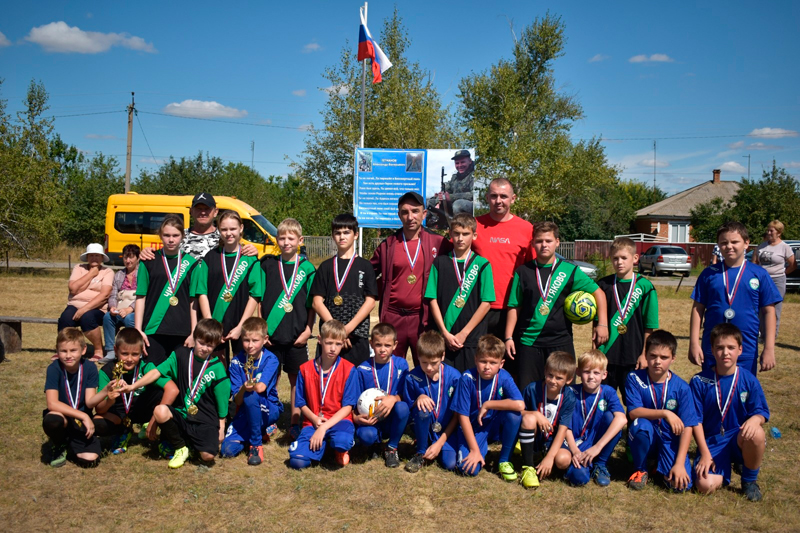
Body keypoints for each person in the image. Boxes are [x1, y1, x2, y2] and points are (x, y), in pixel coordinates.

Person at [505, 221, 608, 389]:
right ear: (532, 243)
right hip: (528, 342)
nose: (544, 245)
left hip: (560, 341)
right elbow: (514, 306)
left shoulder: (569, 270)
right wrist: (509, 337)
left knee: (563, 391)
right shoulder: (523, 272)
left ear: (557, 242)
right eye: (539, 241)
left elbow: (599, 294)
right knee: (528, 391)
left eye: (548, 241)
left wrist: (602, 324)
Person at [118, 318, 231, 469]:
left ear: (216, 345)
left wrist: (221, 426)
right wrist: (133, 386)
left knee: (208, 456)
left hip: (205, 419)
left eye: (209, 346)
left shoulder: (217, 367)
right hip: (184, 415)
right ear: (195, 337)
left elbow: (222, 399)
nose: (204, 348)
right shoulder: (180, 355)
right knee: (160, 410)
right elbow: (156, 372)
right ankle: (181, 448)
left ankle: (192, 444)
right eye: (201, 343)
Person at [689, 221, 782, 376]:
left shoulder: (759, 274)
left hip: (746, 347)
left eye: (734, 242)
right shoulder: (708, 274)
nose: (729, 246)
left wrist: (769, 348)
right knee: (713, 391)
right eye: (724, 243)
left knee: (743, 391)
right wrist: (693, 343)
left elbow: (769, 312)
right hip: (713, 347)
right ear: (718, 245)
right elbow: (697, 309)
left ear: (746, 243)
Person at [370, 191, 451, 365]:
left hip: (423, 318)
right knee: (391, 369)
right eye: (405, 212)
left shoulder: (438, 242)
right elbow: (368, 273)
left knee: (426, 368)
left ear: (424, 214)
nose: (410, 217)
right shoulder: (388, 244)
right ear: (399, 215)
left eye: (415, 211)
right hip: (393, 316)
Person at [691, 323, 770, 502]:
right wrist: (704, 453)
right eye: (719, 347)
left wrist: (755, 419)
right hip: (712, 442)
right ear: (711, 349)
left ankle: (749, 480)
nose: (725, 352)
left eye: (731, 348)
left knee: (756, 432)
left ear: (740, 350)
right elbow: (694, 421)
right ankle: (723, 467)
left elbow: (761, 411)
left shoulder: (748, 379)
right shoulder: (699, 381)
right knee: (704, 486)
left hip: (738, 437)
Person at [471, 178, 535, 377]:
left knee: (510, 364)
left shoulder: (526, 228)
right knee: (480, 364)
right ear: (487, 197)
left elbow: (532, 270)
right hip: (479, 307)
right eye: (494, 196)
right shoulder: (474, 225)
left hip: (512, 309)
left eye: (503, 196)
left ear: (513, 199)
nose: (498, 200)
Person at [260, 218, 316, 440]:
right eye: (281, 238)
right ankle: (269, 419)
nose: (286, 242)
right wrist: (261, 330)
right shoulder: (266, 265)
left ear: (300, 240)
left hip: (297, 337)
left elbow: (312, 304)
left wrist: (308, 330)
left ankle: (295, 420)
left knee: (296, 381)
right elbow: (259, 300)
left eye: (291, 238)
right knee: (269, 379)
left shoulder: (308, 269)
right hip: (271, 337)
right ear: (276, 240)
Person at [625, 330, 698, 492]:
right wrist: (666, 413)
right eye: (653, 356)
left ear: (673, 359)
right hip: (647, 434)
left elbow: (688, 426)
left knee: (681, 487)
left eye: (664, 357)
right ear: (646, 355)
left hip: (668, 437)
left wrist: (679, 464)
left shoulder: (682, 388)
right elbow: (633, 412)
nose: (657, 361)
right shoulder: (634, 378)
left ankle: (659, 465)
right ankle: (641, 469)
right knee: (639, 425)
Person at [425, 213, 495, 371]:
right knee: (446, 386)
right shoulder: (439, 263)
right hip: (445, 338)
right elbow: (432, 299)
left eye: (465, 234)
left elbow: (486, 303)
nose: (460, 238)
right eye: (456, 233)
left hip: (471, 338)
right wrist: (444, 332)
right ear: (450, 234)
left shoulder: (482, 265)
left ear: (474, 235)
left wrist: (464, 333)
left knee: (470, 385)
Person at [94, 327, 178, 454]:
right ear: (116, 351)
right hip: (119, 412)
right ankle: (123, 432)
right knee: (97, 422)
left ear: (141, 352)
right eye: (125, 353)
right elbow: (99, 409)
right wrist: (109, 400)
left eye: (134, 354)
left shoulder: (146, 367)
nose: (129, 359)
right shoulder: (106, 371)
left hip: (143, 409)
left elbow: (173, 390)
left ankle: (165, 440)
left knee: (163, 396)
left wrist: (154, 421)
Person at [289, 320, 359, 469]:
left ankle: (337, 448)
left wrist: (323, 428)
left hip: (339, 421)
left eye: (338, 344)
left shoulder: (349, 370)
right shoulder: (305, 369)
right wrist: (314, 420)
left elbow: (348, 407)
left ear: (344, 343)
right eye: (329, 343)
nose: (333, 348)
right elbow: (300, 403)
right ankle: (322, 444)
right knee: (298, 461)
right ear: (320, 340)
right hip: (313, 421)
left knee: (342, 442)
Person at [596, 237, 659, 404]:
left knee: (633, 401)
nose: (619, 262)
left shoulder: (645, 286)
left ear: (635, 258)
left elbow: (650, 326)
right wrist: (595, 351)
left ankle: (633, 430)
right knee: (603, 401)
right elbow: (596, 323)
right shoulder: (603, 285)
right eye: (615, 258)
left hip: (634, 355)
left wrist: (644, 354)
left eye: (624, 258)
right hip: (607, 353)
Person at [195, 210, 262, 366]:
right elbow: (202, 292)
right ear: (219, 230)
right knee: (216, 373)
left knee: (244, 372)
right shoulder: (209, 258)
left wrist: (241, 327)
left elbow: (255, 295)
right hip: (215, 326)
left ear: (241, 228)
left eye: (233, 229)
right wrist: (211, 324)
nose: (229, 233)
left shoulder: (250, 258)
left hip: (242, 326)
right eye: (224, 229)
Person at [451, 335, 523, 480]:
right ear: (476, 359)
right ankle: (477, 447)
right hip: (473, 427)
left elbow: (520, 404)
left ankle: (504, 460)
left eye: (493, 362)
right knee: (469, 469)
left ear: (501, 363)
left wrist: (489, 404)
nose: (487, 367)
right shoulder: (467, 378)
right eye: (483, 361)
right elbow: (462, 417)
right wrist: (474, 450)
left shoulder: (504, 376)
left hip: (494, 425)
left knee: (515, 415)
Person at [310, 214, 377, 366]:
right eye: (337, 233)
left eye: (346, 232)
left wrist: (347, 330)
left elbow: (370, 302)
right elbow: (317, 302)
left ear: (356, 234)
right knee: (328, 383)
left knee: (357, 383)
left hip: (357, 336)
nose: (342, 237)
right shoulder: (325, 267)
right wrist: (337, 332)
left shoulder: (365, 266)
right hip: (330, 338)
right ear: (333, 235)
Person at [135, 214, 201, 367]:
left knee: (179, 376)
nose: (171, 240)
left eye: (175, 235)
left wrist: (193, 332)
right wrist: (138, 329)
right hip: (153, 330)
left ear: (182, 236)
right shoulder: (148, 261)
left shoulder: (191, 263)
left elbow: (193, 301)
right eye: (166, 235)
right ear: (160, 235)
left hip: (182, 331)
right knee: (152, 375)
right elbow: (140, 297)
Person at [43, 328, 111, 467]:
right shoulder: (54, 368)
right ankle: (59, 444)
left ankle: (72, 444)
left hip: (80, 421)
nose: (68, 355)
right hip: (63, 416)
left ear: (83, 350)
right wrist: (84, 416)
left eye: (73, 350)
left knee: (89, 461)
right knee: (52, 420)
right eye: (63, 351)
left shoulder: (90, 368)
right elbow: (52, 403)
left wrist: (105, 391)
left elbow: (90, 402)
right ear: (57, 351)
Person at [221, 317, 282, 466]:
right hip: (244, 410)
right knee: (227, 450)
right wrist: (243, 387)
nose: (250, 345)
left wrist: (249, 387)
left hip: (268, 407)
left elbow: (261, 388)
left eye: (255, 340)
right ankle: (260, 430)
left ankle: (256, 445)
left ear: (265, 339)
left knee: (251, 395)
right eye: (246, 340)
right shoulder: (236, 362)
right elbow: (237, 400)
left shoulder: (271, 359)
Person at [563, 350, 627, 487]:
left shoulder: (608, 392)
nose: (591, 377)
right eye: (587, 372)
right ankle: (577, 465)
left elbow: (622, 419)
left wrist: (597, 447)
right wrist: (574, 451)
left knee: (612, 419)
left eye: (596, 373)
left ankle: (600, 464)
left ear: (604, 375)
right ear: (578, 372)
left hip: (595, 443)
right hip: (573, 444)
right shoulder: (570, 392)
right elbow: (564, 425)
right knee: (579, 478)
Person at [403, 330, 461, 473]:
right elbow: (408, 408)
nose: (428, 367)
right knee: (423, 408)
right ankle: (421, 451)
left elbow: (457, 415)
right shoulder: (412, 377)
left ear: (443, 356)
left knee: (450, 464)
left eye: (433, 363)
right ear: (417, 357)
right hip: (424, 425)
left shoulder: (455, 377)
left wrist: (440, 443)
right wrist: (418, 399)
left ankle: (438, 445)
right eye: (424, 362)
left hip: (446, 430)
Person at [352, 323, 410, 468]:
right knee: (366, 437)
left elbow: (406, 394)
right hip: (370, 418)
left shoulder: (401, 364)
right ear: (371, 343)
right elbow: (354, 400)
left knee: (402, 407)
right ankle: (374, 444)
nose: (383, 349)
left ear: (395, 345)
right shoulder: (362, 368)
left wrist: (394, 398)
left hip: (392, 418)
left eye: (387, 345)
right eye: (378, 345)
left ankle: (392, 447)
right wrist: (355, 417)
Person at [518, 351, 577, 489]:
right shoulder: (532, 389)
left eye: (559, 378)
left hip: (553, 439)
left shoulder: (569, 397)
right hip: (536, 434)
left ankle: (547, 462)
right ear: (545, 371)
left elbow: (563, 429)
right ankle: (529, 466)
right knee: (529, 419)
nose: (553, 381)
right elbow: (518, 411)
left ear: (568, 380)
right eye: (550, 375)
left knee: (563, 461)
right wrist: (535, 414)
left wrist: (550, 457)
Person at [139, 192, 259, 260]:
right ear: (191, 211)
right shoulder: (179, 236)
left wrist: (254, 251)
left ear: (215, 211)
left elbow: (242, 255)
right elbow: (165, 255)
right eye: (199, 208)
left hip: (214, 297)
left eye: (207, 209)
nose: (203, 212)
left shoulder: (225, 236)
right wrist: (147, 252)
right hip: (185, 296)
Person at [58, 243, 114, 361]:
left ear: (102, 258)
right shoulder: (79, 268)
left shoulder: (107, 272)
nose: (94, 258)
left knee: (87, 317)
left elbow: (104, 295)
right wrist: (91, 274)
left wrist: (84, 309)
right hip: (75, 304)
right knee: (65, 318)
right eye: (91, 255)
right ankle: (66, 350)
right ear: (87, 257)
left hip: (97, 307)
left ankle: (98, 350)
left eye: (97, 255)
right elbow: (73, 289)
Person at [752, 219, 796, 339]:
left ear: (779, 232)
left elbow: (792, 264)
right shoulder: (761, 246)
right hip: (762, 281)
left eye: (771, 231)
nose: (769, 233)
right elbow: (754, 262)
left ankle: (772, 336)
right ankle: (761, 334)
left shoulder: (784, 247)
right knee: (760, 308)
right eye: (768, 230)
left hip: (777, 281)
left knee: (774, 309)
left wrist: (783, 273)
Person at [101, 244, 140, 363]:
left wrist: (130, 309)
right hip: (120, 308)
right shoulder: (119, 275)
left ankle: (132, 348)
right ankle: (111, 351)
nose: (128, 261)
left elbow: (144, 296)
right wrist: (112, 307)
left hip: (135, 310)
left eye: (131, 257)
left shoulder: (143, 274)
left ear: (138, 258)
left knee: (129, 319)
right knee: (108, 317)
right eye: (125, 257)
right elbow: (113, 294)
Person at [427, 149, 475, 227]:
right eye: (457, 163)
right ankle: (439, 224)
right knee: (430, 201)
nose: (460, 165)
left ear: (469, 161)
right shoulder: (455, 177)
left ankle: (461, 227)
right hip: (453, 206)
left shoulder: (474, 175)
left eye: (462, 162)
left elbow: (473, 194)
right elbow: (446, 189)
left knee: (458, 204)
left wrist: (451, 197)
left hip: (470, 206)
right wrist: (438, 199)